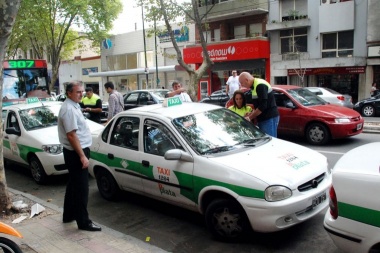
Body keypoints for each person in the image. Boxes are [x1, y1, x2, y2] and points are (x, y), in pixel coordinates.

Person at [57, 81, 101, 232]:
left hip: (77, 151)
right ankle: (84, 222)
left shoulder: (74, 105)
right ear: (69, 93)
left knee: (73, 185)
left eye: (82, 91)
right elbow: (71, 135)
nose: (81, 94)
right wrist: (82, 156)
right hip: (76, 152)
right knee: (82, 188)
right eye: (78, 92)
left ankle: (68, 215)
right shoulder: (68, 109)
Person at [238, 72, 279, 137]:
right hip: (265, 118)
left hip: (268, 118)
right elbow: (258, 105)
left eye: (241, 83)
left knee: (270, 141)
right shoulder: (254, 86)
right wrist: (251, 114)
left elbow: (263, 106)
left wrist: (249, 117)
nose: (241, 85)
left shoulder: (260, 85)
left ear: (246, 80)